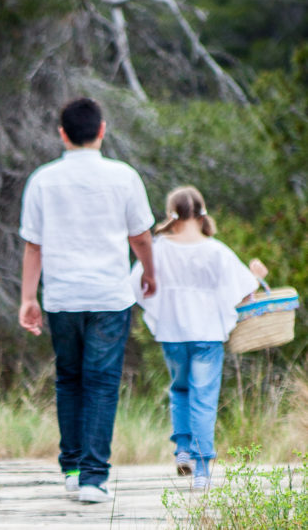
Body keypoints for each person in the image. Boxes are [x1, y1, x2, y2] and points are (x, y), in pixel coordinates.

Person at [18, 97, 156, 503]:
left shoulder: (43, 179)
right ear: (102, 130)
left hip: (62, 297)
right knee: (102, 383)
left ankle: (73, 470)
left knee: (69, 379)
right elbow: (141, 236)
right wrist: (149, 271)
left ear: (62, 134)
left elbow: (33, 246)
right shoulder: (124, 176)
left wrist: (29, 298)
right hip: (110, 297)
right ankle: (94, 478)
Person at [130, 185, 267, 490]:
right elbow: (245, 288)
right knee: (204, 398)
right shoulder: (215, 249)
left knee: (180, 390)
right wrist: (257, 275)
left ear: (171, 213)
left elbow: (136, 284)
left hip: (172, 333)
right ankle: (202, 469)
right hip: (207, 334)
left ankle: (182, 450)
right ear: (201, 213)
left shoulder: (159, 247)